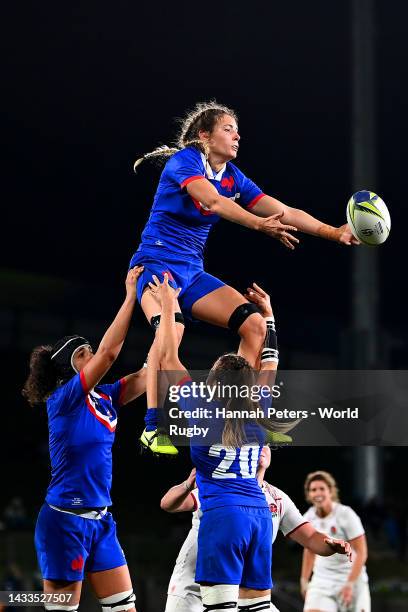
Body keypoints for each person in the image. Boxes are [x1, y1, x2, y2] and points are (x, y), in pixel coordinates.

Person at [130, 101, 359, 455]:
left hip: (191, 272)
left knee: (255, 326)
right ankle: (153, 427)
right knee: (171, 332)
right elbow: (213, 203)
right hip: (157, 265)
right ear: (204, 136)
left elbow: (285, 211)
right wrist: (258, 225)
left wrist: (333, 232)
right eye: (228, 129)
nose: (237, 135)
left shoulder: (233, 178)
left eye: (236, 129)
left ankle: (246, 420)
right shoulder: (185, 163)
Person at [152, 274, 296, 612]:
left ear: (213, 381)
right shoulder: (259, 403)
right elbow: (271, 359)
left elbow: (168, 358)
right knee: (257, 609)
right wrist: (269, 316)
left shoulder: (199, 406)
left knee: (220, 609)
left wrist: (170, 303)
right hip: (259, 516)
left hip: (223, 516)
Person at [22, 266, 146, 612]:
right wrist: (130, 296)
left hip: (102, 520)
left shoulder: (104, 396)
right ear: (68, 368)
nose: (92, 355)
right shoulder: (63, 400)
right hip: (64, 520)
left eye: (90, 350)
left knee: (125, 608)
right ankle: (10, 599)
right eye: (82, 353)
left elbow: (148, 375)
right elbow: (109, 354)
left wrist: (169, 317)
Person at [161, 447, 352, 612]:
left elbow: (310, 537)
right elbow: (168, 504)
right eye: (252, 445)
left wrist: (331, 545)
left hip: (241, 593)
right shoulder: (222, 487)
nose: (260, 448)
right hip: (192, 586)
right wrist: (188, 484)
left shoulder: (277, 498)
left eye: (264, 445)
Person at [300, 471, 371, 612]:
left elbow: (362, 552)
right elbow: (309, 551)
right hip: (322, 581)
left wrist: (350, 584)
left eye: (322, 489)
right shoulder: (307, 518)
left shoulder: (346, 514)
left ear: (331, 491)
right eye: (313, 490)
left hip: (351, 579)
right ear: (308, 494)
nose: (318, 493)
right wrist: (304, 580)